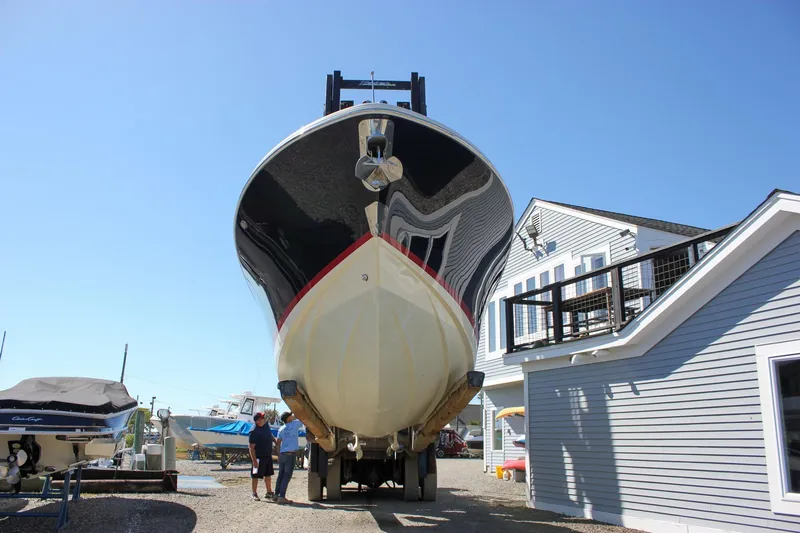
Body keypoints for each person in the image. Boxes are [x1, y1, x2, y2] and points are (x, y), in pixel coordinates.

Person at [273, 411, 302, 504]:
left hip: (282, 454)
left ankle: (276, 494)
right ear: (288, 418)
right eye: (290, 415)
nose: (292, 416)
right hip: (290, 454)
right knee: (287, 476)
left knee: (280, 475)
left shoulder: (281, 429)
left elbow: (277, 443)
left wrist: (278, 455)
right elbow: (302, 418)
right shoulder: (295, 424)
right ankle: (282, 496)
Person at [248, 412, 274, 501]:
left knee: (268, 475)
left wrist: (275, 441)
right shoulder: (253, 431)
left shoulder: (266, 425)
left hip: (267, 455)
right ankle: (254, 494)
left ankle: (269, 492)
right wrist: (254, 460)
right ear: (258, 421)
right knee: (255, 476)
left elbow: (270, 434)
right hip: (258, 457)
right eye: (262, 418)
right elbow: (251, 448)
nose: (264, 419)